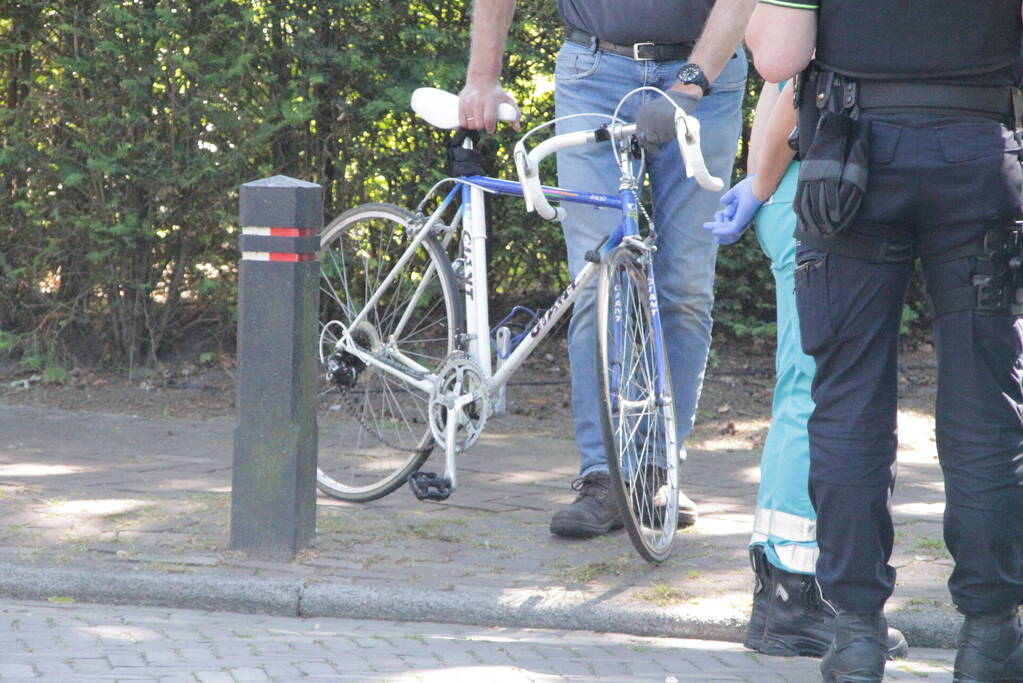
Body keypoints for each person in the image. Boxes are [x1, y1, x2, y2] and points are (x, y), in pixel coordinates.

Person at [747, 2, 1023, 681]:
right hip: (977, 156)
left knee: (845, 406)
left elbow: (777, 58)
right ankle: (990, 635)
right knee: (987, 408)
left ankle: (855, 633)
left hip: (850, 163)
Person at [459, 0, 755, 539]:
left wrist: (691, 83)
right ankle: (602, 475)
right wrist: (482, 78)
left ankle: (657, 469)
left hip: (704, 79)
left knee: (685, 285)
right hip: (594, 73)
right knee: (598, 281)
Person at [703, 80, 908, 661]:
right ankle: (794, 597)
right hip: (817, 198)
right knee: (820, 397)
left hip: (799, 193)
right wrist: (763, 183)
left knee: (805, 391)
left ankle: (785, 595)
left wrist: (760, 183)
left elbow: (779, 85)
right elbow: (798, 89)